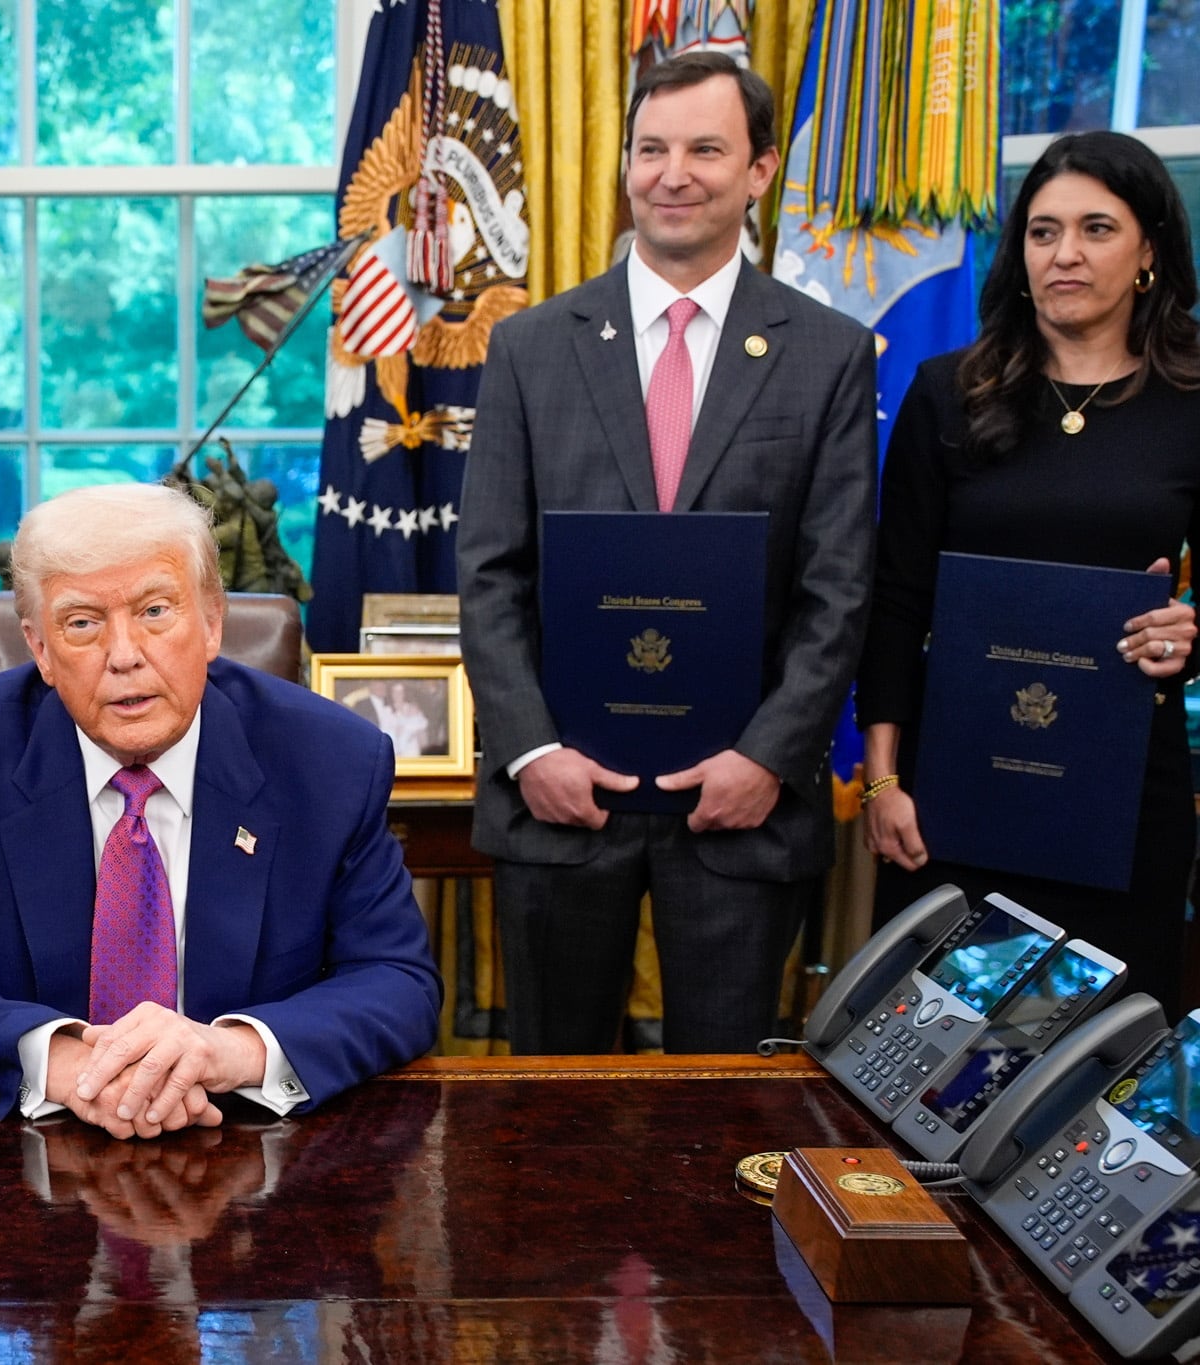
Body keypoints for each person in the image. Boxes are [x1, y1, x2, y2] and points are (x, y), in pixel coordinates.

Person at [457, 52, 877, 1055]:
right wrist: (530, 750)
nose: (671, 173)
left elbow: (837, 589)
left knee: (722, 1106)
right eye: (650, 149)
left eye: (703, 148)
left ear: (759, 170)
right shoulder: (528, 347)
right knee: (549, 1113)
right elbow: (488, 574)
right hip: (561, 795)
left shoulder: (825, 354)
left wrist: (767, 760)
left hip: (739, 804)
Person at [0, 482, 440, 1138]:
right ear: (39, 648)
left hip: (251, 1144)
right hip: (25, 1153)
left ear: (212, 624)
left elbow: (396, 979)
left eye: (155, 610)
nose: (123, 655)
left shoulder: (330, 762)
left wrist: (226, 1052)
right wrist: (66, 1061)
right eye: (82, 623)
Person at [857, 131, 1200, 1011]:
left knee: (1099, 1069)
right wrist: (886, 779)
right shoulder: (949, 389)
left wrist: (1188, 632)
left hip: (1122, 794)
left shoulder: (1194, 399)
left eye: (1096, 229)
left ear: (1150, 248)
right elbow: (894, 599)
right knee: (928, 1061)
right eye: (1043, 233)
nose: (1066, 255)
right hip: (957, 790)